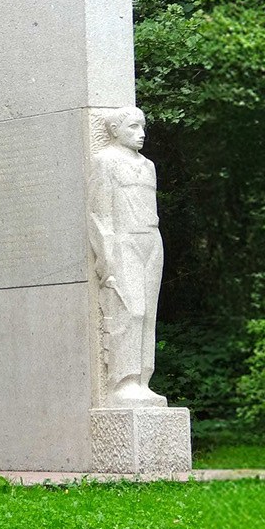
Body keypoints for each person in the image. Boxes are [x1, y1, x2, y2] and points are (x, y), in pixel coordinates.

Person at [88, 105, 166, 407]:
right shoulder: (104, 161)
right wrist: (105, 257)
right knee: (129, 310)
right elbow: (99, 212)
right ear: (115, 130)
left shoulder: (148, 166)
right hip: (124, 241)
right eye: (133, 127)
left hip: (151, 239)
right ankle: (122, 381)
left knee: (147, 314)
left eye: (142, 126)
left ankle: (143, 380)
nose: (141, 134)